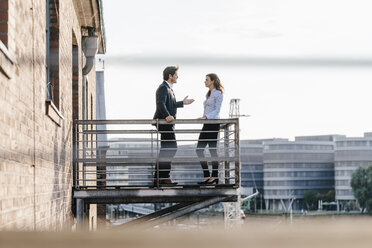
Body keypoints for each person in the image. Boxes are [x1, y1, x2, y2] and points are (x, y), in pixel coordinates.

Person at [153, 66, 194, 185]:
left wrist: (183, 103)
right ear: (170, 76)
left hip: (168, 123)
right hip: (165, 123)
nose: (177, 77)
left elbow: (171, 104)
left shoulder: (169, 89)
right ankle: (163, 177)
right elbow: (160, 104)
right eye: (176, 74)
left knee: (166, 150)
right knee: (171, 148)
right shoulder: (163, 88)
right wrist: (167, 116)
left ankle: (160, 177)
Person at [196, 73, 224, 185]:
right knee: (199, 150)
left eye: (206, 79)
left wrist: (206, 117)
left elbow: (217, 110)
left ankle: (214, 176)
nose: (205, 81)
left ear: (212, 81)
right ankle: (207, 175)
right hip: (206, 123)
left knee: (212, 150)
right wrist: (203, 118)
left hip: (213, 123)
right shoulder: (208, 94)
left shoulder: (218, 93)